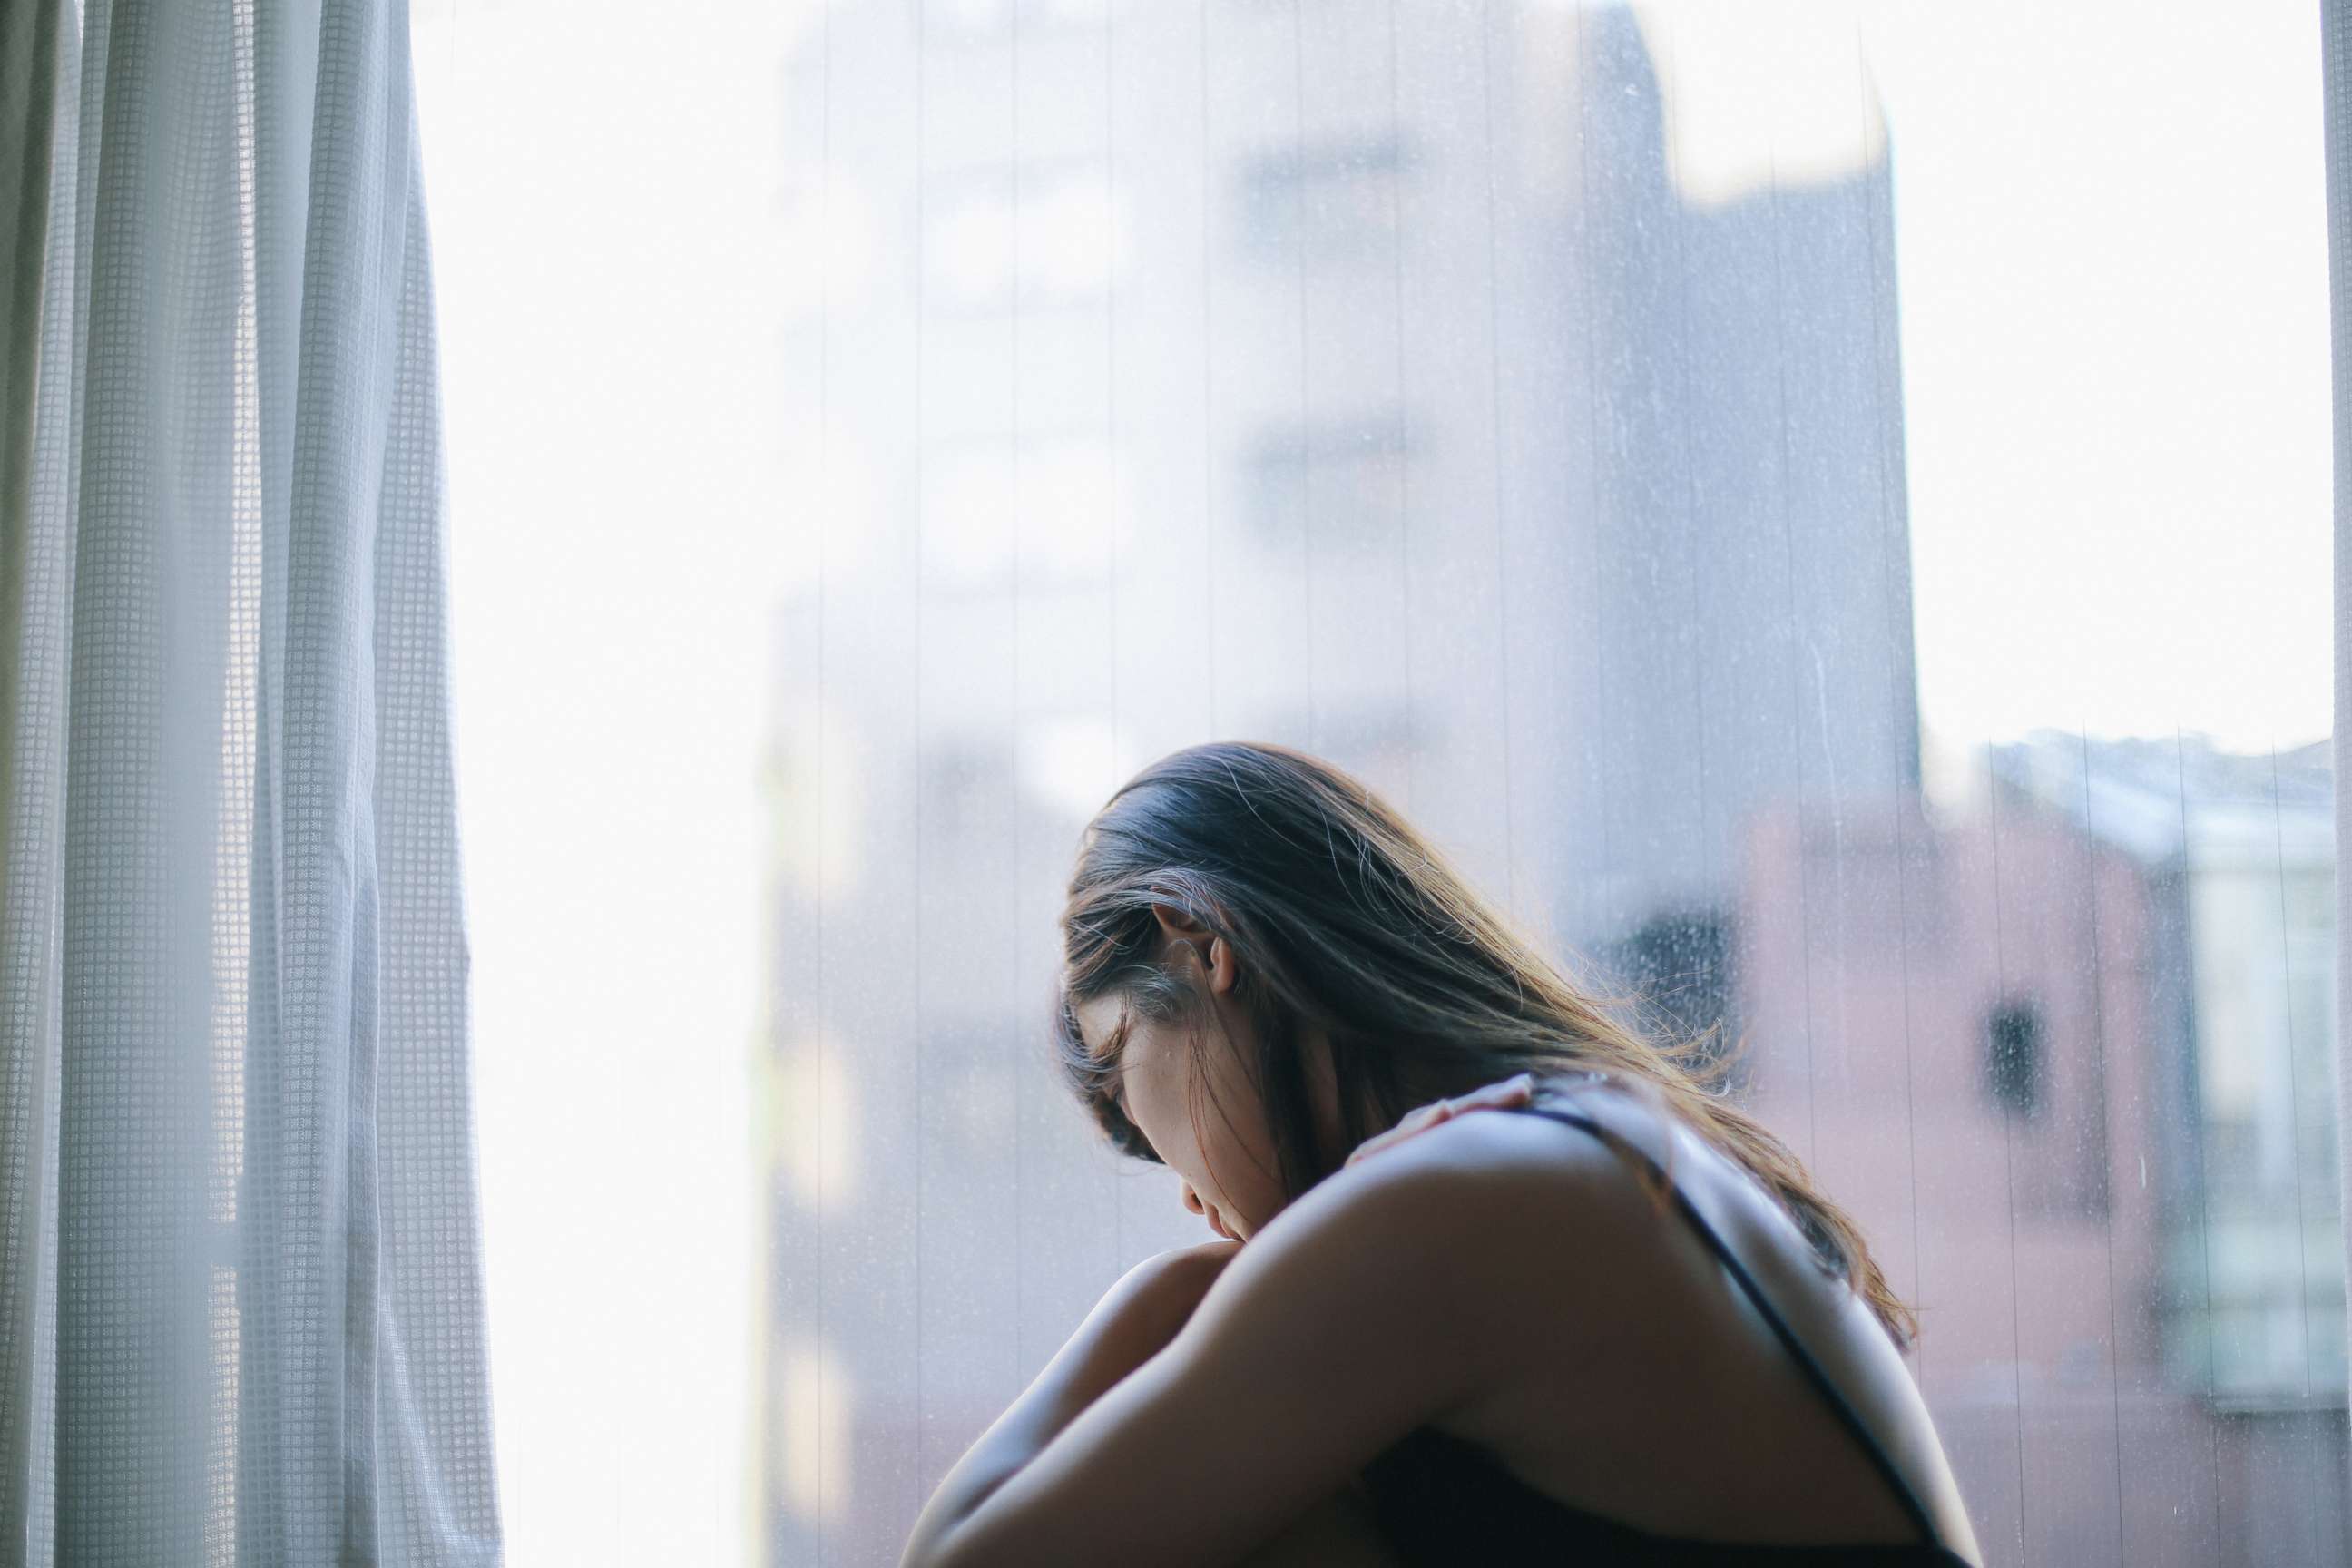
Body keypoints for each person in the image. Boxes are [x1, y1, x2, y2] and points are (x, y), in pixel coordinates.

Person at [901, 741, 1983, 1568]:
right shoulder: (1580, 1148)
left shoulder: (1473, 1204)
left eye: (1127, 1072)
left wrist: (1165, 1300)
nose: (1187, 1194)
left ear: (1198, 939)